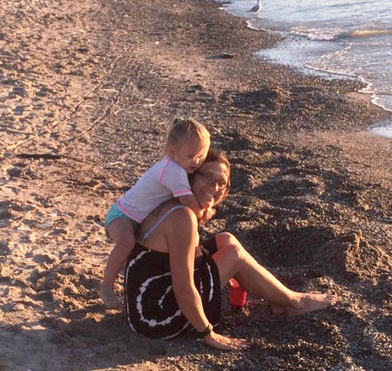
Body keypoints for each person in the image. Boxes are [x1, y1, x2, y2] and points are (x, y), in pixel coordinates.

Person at [124, 150, 338, 350]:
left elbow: (185, 260)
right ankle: (294, 302)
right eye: (207, 177)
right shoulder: (182, 217)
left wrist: (226, 272)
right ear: (191, 176)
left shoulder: (172, 201)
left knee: (226, 240)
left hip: (146, 296)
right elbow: (182, 287)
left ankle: (279, 298)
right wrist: (208, 333)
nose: (214, 187)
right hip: (154, 317)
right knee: (233, 255)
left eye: (221, 183)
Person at [99, 118, 212, 309]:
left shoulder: (179, 165)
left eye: (201, 156)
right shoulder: (173, 171)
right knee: (127, 242)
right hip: (122, 215)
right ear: (171, 152)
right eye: (191, 156)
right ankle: (106, 285)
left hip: (140, 218)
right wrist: (204, 209)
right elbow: (188, 202)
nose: (197, 161)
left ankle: (128, 277)